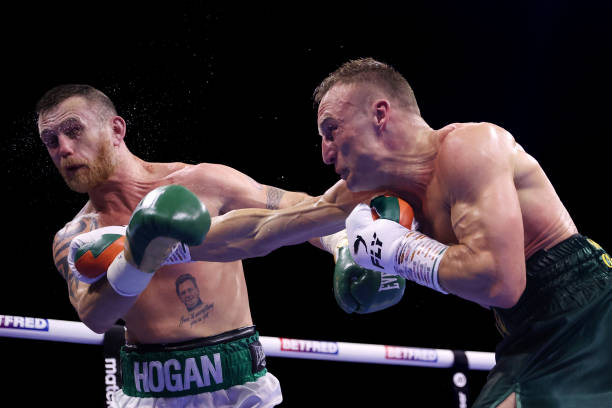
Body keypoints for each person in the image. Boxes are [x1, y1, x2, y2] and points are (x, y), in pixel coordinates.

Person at [38, 84, 403, 407]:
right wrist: (138, 256)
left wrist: (342, 244)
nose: (64, 149)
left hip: (242, 385)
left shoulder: (201, 181)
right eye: (51, 141)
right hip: (151, 392)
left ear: (116, 129)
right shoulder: (75, 235)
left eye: (73, 131)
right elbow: (96, 318)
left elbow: (298, 209)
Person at [313, 57, 612, 407]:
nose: (324, 152)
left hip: (585, 306)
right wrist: (340, 242)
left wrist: (399, 250)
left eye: (331, 130)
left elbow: (502, 283)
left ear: (379, 115)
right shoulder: (373, 195)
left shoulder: (471, 146)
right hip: (526, 329)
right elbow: (278, 217)